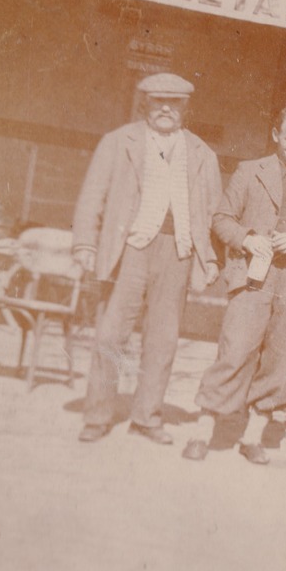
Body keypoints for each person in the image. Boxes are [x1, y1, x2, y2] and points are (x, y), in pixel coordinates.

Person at [182, 106, 286, 465]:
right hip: (254, 277)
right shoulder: (250, 171)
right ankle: (203, 428)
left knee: (283, 361)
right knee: (235, 350)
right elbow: (221, 218)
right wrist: (246, 239)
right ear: (275, 136)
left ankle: (253, 434)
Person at [72, 72, 222, 446]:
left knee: (163, 339)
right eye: (158, 102)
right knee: (111, 333)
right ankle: (97, 414)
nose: (166, 110)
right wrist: (86, 244)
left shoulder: (202, 153)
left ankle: (147, 415)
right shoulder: (118, 142)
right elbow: (92, 196)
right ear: (146, 105)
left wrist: (210, 258)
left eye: (175, 104)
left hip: (178, 252)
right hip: (132, 249)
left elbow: (214, 212)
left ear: (186, 108)